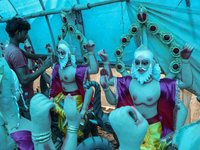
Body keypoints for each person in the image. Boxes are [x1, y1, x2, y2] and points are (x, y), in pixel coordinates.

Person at [99, 43, 193, 149]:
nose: (140, 66)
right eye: (137, 62)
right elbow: (112, 98)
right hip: (134, 127)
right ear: (133, 64)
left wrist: (185, 61)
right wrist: (106, 84)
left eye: (144, 63)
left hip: (154, 129)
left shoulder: (160, 85)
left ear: (152, 64)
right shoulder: (129, 83)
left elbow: (186, 83)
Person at [4, 17, 53, 120]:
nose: (26, 36)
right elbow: (24, 79)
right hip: (25, 96)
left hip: (19, 95)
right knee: (33, 126)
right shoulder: (16, 53)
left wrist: (50, 56)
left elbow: (30, 56)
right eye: (25, 33)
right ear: (18, 33)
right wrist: (43, 67)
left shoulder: (11, 48)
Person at [49, 39, 99, 138]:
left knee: (77, 125)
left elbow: (94, 70)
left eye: (62, 53)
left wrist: (91, 52)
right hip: (63, 98)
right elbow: (53, 66)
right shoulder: (58, 68)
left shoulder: (76, 70)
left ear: (68, 54)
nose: (60, 56)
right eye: (58, 53)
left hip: (76, 101)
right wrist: (50, 53)